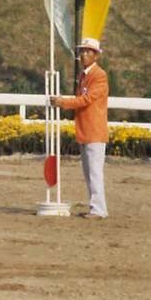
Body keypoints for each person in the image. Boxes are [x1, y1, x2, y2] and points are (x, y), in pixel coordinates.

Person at [51, 37, 109, 219]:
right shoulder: (84, 75)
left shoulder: (99, 75)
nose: (84, 54)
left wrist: (63, 102)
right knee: (88, 173)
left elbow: (86, 99)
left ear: (96, 55)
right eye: (82, 51)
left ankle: (99, 209)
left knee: (94, 173)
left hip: (94, 131)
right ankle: (95, 207)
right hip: (85, 130)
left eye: (88, 51)